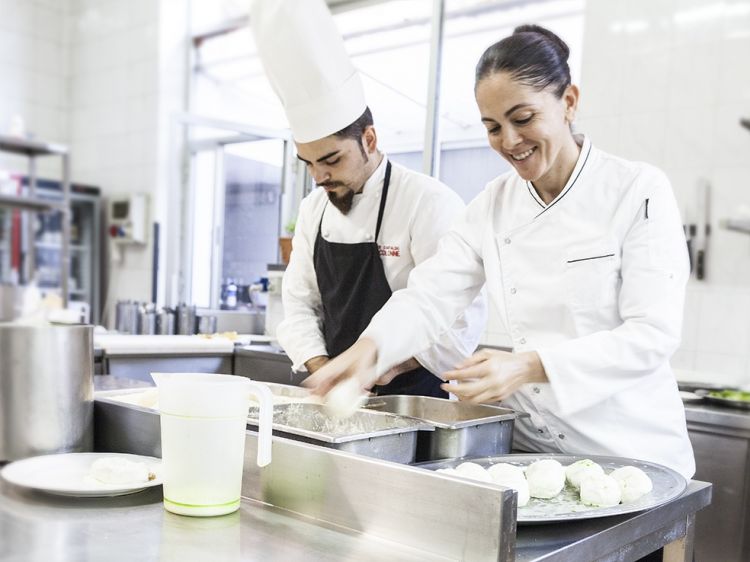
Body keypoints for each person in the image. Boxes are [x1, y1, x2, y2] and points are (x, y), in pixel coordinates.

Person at [305, 24, 696, 479]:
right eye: (492, 127)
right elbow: (429, 294)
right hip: (536, 455)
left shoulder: (636, 189)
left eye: (523, 118)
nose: (509, 141)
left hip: (633, 455)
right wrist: (369, 350)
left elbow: (652, 335)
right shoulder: (492, 204)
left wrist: (528, 367)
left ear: (568, 102)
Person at [249, 0, 486, 397]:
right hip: (341, 398)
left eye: (331, 160)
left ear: (369, 140)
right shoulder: (314, 210)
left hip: (414, 400)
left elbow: (461, 318)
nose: (319, 176)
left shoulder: (427, 202)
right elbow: (299, 305)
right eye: (307, 163)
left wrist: (383, 366)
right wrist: (328, 373)